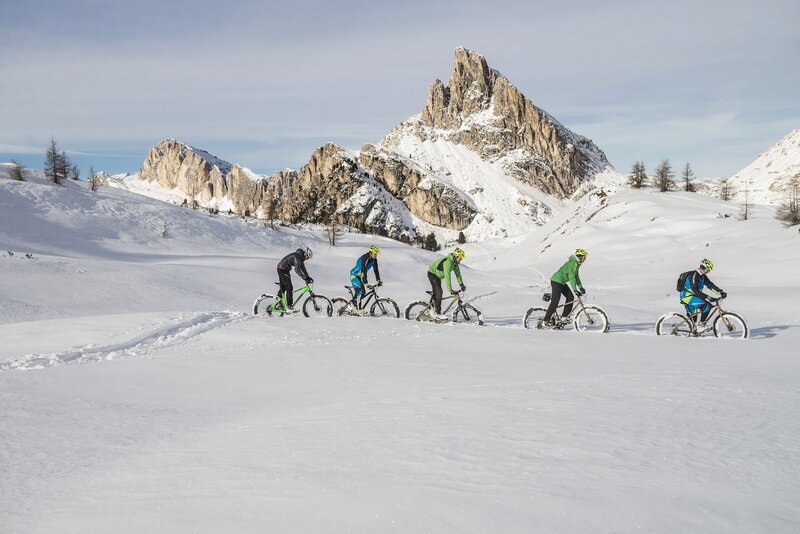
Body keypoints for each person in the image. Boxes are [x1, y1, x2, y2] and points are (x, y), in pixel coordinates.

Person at [543, 249, 588, 327]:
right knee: (555, 301)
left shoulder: (576, 264)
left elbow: (576, 277)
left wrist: (581, 287)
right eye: (584, 257)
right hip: (556, 281)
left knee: (570, 297)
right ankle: (546, 321)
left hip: (562, 282)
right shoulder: (573, 263)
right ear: (580, 257)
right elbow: (572, 277)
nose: (585, 259)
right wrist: (575, 289)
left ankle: (564, 318)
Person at [679, 258, 726, 331]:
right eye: (708, 269)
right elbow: (694, 289)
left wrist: (720, 292)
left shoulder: (703, 276)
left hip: (694, 297)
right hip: (687, 296)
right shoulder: (694, 275)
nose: (709, 271)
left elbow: (710, 285)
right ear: (704, 267)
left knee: (693, 317)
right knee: (706, 305)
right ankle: (701, 325)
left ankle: (694, 331)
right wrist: (707, 297)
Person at [427, 247, 466, 321]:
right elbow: (447, 276)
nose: (461, 260)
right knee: (439, 292)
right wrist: (450, 289)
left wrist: (461, 284)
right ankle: (438, 314)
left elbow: (458, 274)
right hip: (432, 274)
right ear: (456, 256)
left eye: (461, 258)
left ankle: (430, 310)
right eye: (460, 258)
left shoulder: (455, 264)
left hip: (437, 277)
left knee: (436, 292)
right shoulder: (448, 262)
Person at [276, 246, 314, 311]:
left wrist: (307, 276)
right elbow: (297, 270)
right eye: (308, 257)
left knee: (284, 287)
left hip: (284, 269)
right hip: (282, 269)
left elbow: (303, 268)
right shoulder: (298, 257)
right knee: (289, 287)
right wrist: (305, 278)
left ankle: (279, 303)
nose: (307, 259)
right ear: (305, 254)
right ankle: (289, 306)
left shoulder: (300, 257)